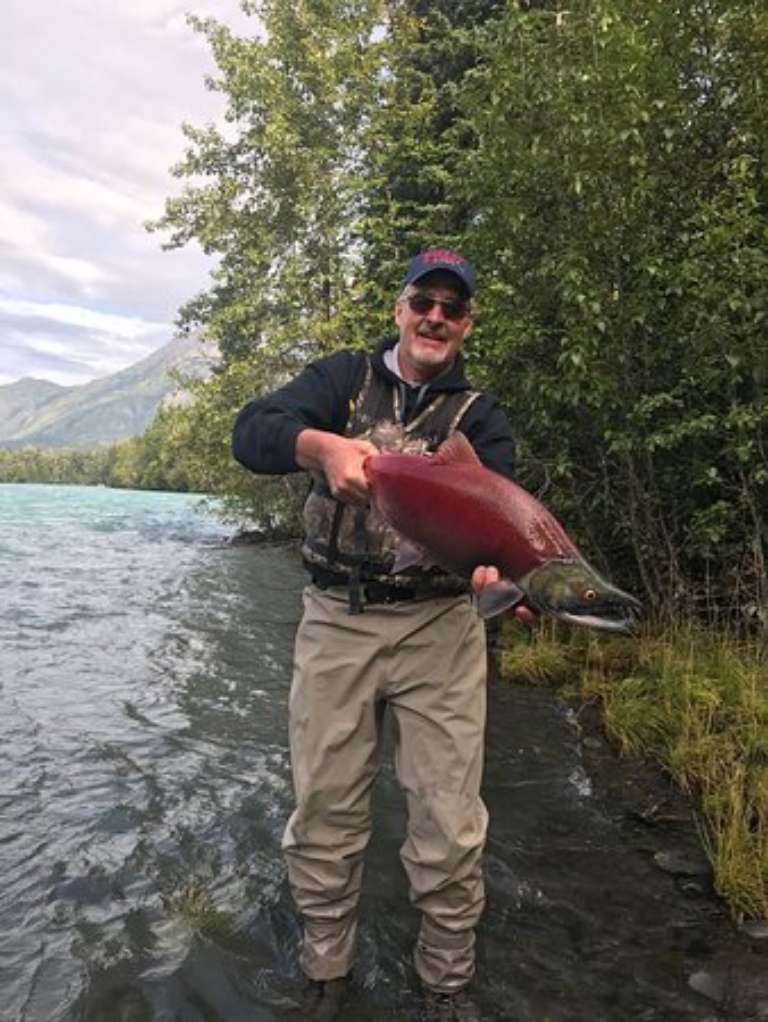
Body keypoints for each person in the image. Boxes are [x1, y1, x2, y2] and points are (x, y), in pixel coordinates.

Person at [232, 248, 528, 1022]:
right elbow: (251, 432)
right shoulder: (339, 381)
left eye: (452, 308)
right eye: (422, 300)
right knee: (325, 809)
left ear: (466, 325)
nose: (435, 316)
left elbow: (497, 530)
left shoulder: (483, 420)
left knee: (449, 823)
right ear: (399, 309)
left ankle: (445, 983)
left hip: (441, 629)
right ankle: (326, 974)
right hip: (337, 618)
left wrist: (501, 582)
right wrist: (320, 448)